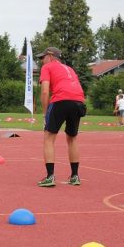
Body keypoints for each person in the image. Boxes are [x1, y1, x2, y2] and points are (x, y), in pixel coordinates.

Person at [36, 47, 86, 187]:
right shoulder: (70, 69)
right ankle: (75, 176)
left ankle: (50, 176)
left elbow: (45, 92)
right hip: (78, 102)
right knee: (72, 137)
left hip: (60, 100)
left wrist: (46, 114)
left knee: (49, 138)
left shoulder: (47, 67)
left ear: (51, 56)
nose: (42, 61)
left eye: (43, 57)